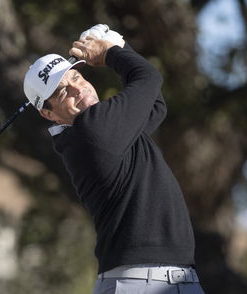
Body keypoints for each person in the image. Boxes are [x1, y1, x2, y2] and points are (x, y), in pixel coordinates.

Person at [23, 24, 204, 294]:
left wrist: (119, 46)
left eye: (76, 77)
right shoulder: (92, 129)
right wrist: (109, 52)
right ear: (49, 114)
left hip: (173, 279)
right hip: (140, 283)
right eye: (61, 92)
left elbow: (155, 105)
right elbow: (148, 78)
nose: (77, 89)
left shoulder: (103, 130)